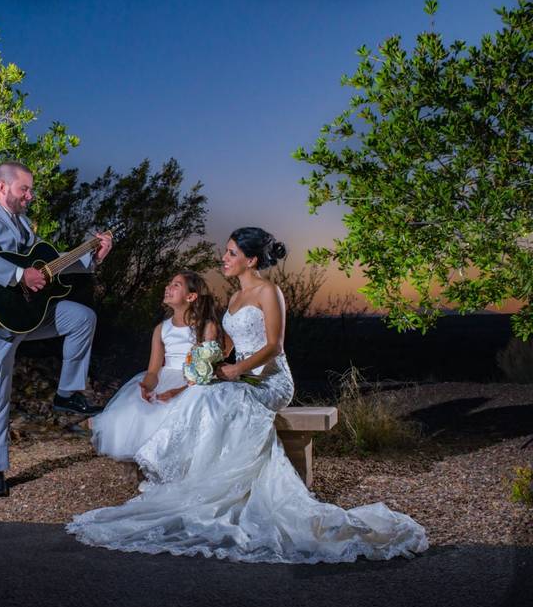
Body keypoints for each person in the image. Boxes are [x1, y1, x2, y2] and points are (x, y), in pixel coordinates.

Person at [67, 227, 429, 563]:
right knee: (201, 395)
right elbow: (227, 345)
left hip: (270, 381)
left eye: (231, 253)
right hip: (239, 376)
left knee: (213, 399)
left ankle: (209, 484)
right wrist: (205, 363)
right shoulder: (235, 296)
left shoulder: (269, 292)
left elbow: (274, 345)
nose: (223, 259)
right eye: (225, 253)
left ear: (251, 260)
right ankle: (191, 481)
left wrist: (237, 371)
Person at [0, 162, 113, 498]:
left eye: (30, 190)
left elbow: (52, 261)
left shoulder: (23, 223)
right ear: (2, 188)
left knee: (81, 317)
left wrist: (93, 256)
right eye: (23, 190)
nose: (30, 196)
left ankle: (68, 393)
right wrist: (19, 276)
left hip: (26, 316)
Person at [88, 271, 221, 461]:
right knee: (131, 414)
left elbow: (203, 372)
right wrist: (147, 387)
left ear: (191, 296)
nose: (168, 287)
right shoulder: (161, 329)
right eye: (169, 283)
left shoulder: (205, 327)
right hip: (165, 378)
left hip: (192, 384)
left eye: (176, 285)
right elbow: (153, 370)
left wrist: (177, 392)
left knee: (172, 416)